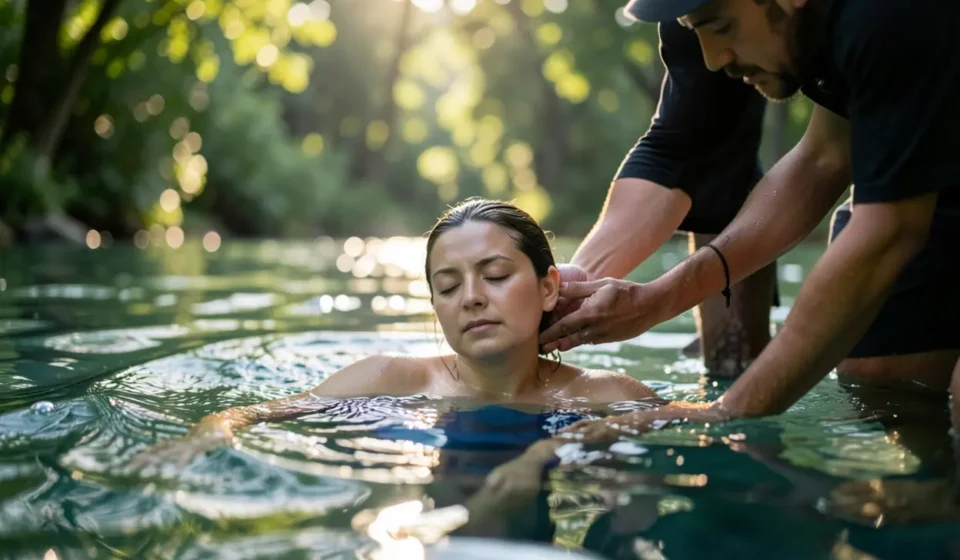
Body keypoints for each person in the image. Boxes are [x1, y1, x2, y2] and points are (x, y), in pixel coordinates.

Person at [541, 0, 960, 440]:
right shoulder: (821, 33)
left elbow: (888, 233)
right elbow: (823, 157)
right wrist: (650, 299)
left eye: (721, 26)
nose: (713, 59)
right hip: (936, 137)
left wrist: (726, 411)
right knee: (882, 373)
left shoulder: (888, 16)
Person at [128, 198, 660, 540]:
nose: (471, 298)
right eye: (448, 287)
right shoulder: (391, 380)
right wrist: (203, 436)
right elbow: (253, 415)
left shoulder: (604, 395)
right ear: (436, 307)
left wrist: (551, 451)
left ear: (548, 288)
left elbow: (710, 417)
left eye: (495, 275)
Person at [562, 17, 778, 377]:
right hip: (741, 192)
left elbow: (823, 162)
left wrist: (655, 302)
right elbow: (681, 150)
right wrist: (567, 292)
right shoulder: (691, 20)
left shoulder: (870, 25)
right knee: (731, 368)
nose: (712, 58)